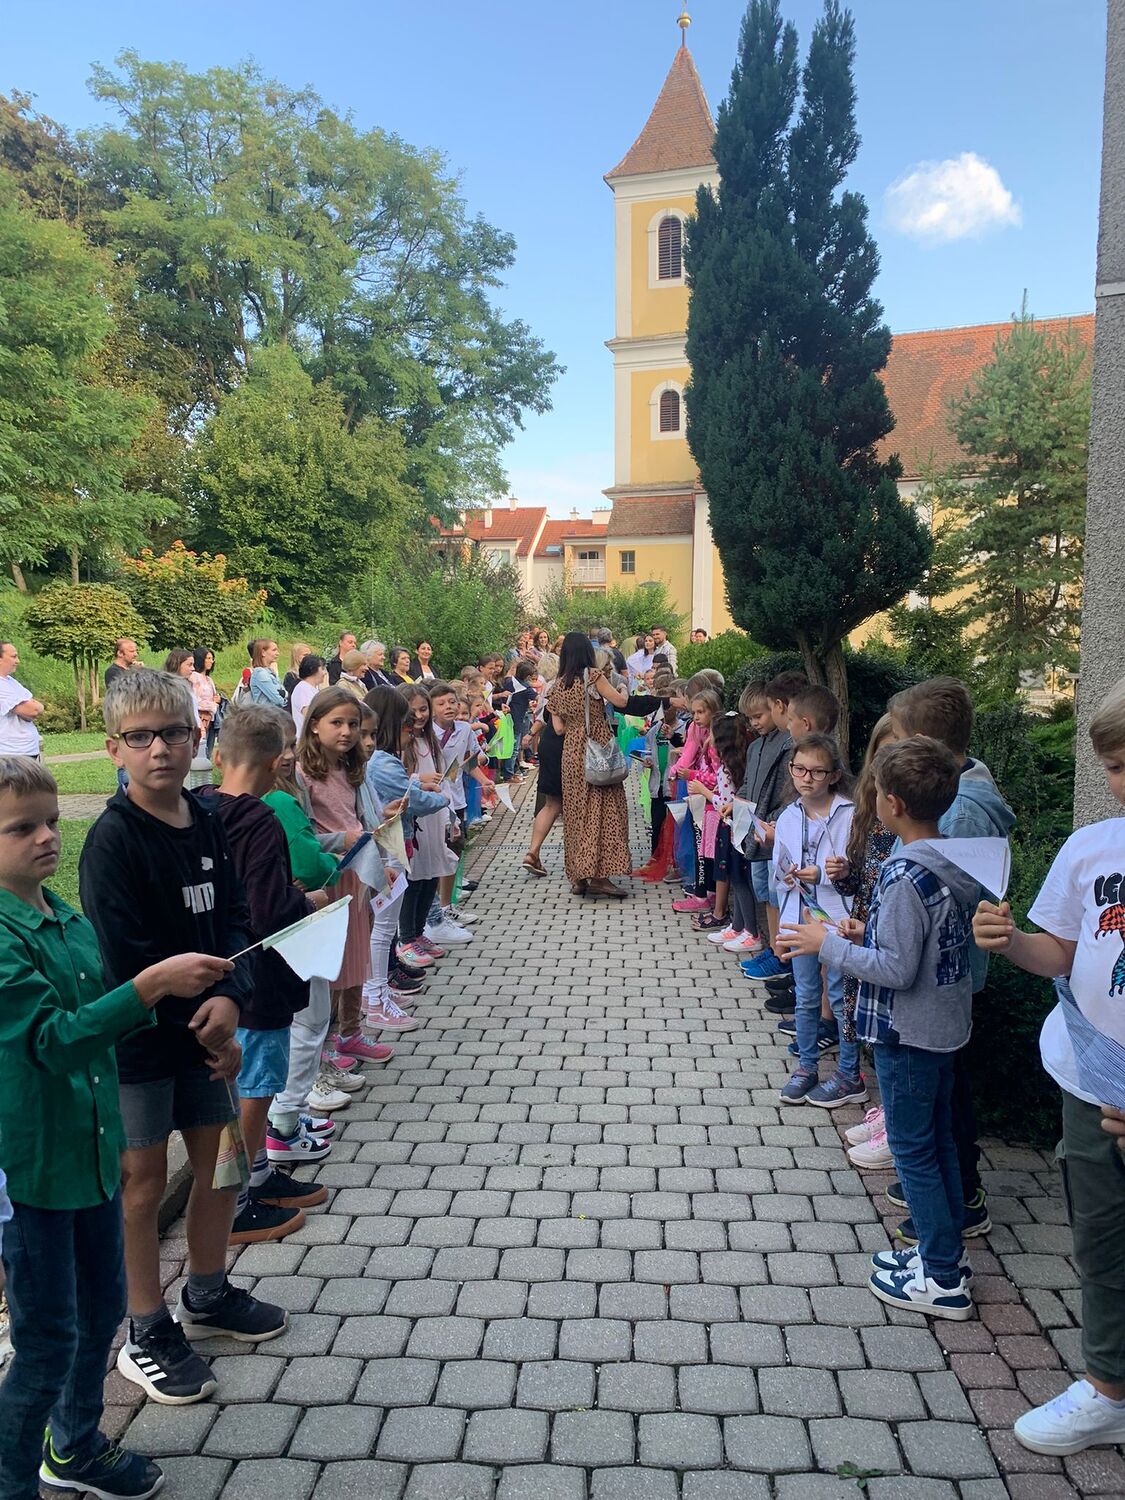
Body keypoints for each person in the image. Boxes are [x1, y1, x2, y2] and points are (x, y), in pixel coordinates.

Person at [0, 755, 234, 1500]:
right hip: (34, 1171)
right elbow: (55, 1040)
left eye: (49, 822)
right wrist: (150, 985)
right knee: (46, 1340)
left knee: (100, 1311)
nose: (46, 837)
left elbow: (103, 1020)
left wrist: (210, 1037)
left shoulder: (61, 916)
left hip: (90, 1156)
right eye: (21, 829)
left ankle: (74, 1447)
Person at [78, 669, 286, 1405]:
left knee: (223, 1165)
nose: (159, 749)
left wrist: (231, 998)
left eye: (171, 732)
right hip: (141, 1045)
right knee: (140, 1186)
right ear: (114, 749)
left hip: (209, 1035)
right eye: (139, 737)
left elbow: (236, 921)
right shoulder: (112, 841)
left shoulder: (206, 819)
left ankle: (207, 1289)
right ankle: (145, 1328)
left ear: (196, 737)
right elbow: (123, 960)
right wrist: (206, 1032)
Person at [973, 676, 1125, 1455]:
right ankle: (1107, 1389)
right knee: (1101, 1240)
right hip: (1091, 1081)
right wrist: (1010, 944)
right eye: (1116, 767)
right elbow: (1061, 952)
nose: (1124, 782)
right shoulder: (1091, 849)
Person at [780, 735, 978, 1320]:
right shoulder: (948, 859)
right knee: (938, 1143)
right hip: (941, 1027)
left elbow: (896, 969)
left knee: (914, 1152)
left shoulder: (902, 874)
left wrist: (826, 944)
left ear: (892, 803)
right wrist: (864, 932)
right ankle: (945, 1254)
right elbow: (915, 944)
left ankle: (941, 1279)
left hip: (907, 1033)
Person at [886, 676, 1015, 1241]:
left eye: (897, 738)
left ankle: (961, 1196)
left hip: (941, 978)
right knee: (943, 1090)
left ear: (923, 745)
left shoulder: (958, 814)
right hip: (939, 975)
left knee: (948, 1095)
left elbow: (948, 902)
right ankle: (946, 1187)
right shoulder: (957, 794)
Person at [208, 706, 333, 1244]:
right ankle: (235, 1203)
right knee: (254, 1094)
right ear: (275, 762)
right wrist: (309, 901)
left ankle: (258, 1175)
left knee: (247, 1090)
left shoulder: (202, 807)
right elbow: (267, 908)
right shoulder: (260, 819)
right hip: (260, 979)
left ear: (218, 756)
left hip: (223, 976)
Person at [263, 718, 364, 1120]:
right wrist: (334, 864)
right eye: (281, 748)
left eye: (291, 746)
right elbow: (306, 859)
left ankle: (301, 1093)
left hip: (289, 909)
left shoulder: (288, 792)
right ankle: (290, 1112)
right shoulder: (280, 800)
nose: (289, 756)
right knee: (308, 1015)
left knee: (309, 1013)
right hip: (295, 910)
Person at [298, 687, 390, 1067]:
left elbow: (361, 818)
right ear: (314, 725)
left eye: (353, 724)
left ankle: (352, 1032)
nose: (347, 732)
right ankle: (325, 1043)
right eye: (336, 722)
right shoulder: (303, 774)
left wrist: (376, 845)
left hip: (357, 872)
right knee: (330, 963)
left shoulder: (351, 769)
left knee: (356, 956)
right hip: (328, 877)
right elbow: (303, 835)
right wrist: (343, 839)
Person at [772, 733, 860, 1107]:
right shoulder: (788, 816)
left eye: (817, 771)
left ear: (834, 775)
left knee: (841, 997)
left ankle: (849, 1072)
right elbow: (778, 871)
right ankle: (807, 1067)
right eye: (799, 769)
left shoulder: (850, 814)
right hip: (799, 918)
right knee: (806, 996)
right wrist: (787, 876)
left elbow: (857, 869)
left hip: (837, 920)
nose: (806, 778)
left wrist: (828, 874)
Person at [830, 715, 899, 1169]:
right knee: (870, 1023)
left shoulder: (912, 816)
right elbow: (862, 877)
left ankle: (898, 1128)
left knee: (891, 1030)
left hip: (886, 933)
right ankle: (889, 1113)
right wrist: (844, 874)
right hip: (865, 923)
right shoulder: (869, 807)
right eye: (885, 751)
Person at [363, 686, 451, 968]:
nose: (413, 728)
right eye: (407, 723)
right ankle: (389, 969)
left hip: (401, 838)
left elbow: (405, 788)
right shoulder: (382, 761)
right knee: (386, 920)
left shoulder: (384, 759)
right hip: (390, 844)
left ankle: (398, 957)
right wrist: (441, 798)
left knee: (415, 888)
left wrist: (416, 785)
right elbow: (411, 798)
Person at [547, 632, 631, 898]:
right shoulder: (593, 676)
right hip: (597, 749)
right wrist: (623, 689)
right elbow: (621, 702)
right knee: (603, 811)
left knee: (576, 813)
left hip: (572, 753)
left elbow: (558, 728)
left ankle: (579, 876)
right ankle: (600, 877)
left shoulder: (557, 685)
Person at [739, 671, 807, 981]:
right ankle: (774, 947)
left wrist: (774, 822)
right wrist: (737, 802)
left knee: (777, 893)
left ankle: (782, 956)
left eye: (759, 715)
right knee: (765, 892)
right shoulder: (756, 747)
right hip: (757, 831)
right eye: (750, 718)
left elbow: (787, 793)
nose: (754, 723)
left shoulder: (788, 746)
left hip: (774, 832)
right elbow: (749, 784)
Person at [0, 642, 44, 761]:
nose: (17, 661)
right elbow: (33, 710)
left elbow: (36, 707)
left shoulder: (11, 681)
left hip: (25, 752)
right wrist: (34, 707)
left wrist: (35, 707)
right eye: (13, 657)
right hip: (10, 755)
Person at [190, 648, 221, 757]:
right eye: (208, 658)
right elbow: (195, 700)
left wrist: (217, 700)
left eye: (212, 658)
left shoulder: (209, 679)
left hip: (211, 720)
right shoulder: (194, 677)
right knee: (200, 751)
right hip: (200, 719)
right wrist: (212, 704)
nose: (211, 661)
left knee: (208, 751)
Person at [290, 652, 327, 735]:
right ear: (313, 670)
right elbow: (309, 715)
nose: (325, 673)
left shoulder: (313, 688)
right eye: (322, 669)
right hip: (306, 738)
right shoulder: (303, 689)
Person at [248, 639, 286, 709]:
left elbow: (284, 692)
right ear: (263, 652)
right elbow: (277, 700)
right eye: (274, 650)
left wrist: (283, 694)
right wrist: (285, 700)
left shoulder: (269, 671)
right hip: (266, 714)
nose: (278, 653)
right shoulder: (260, 673)